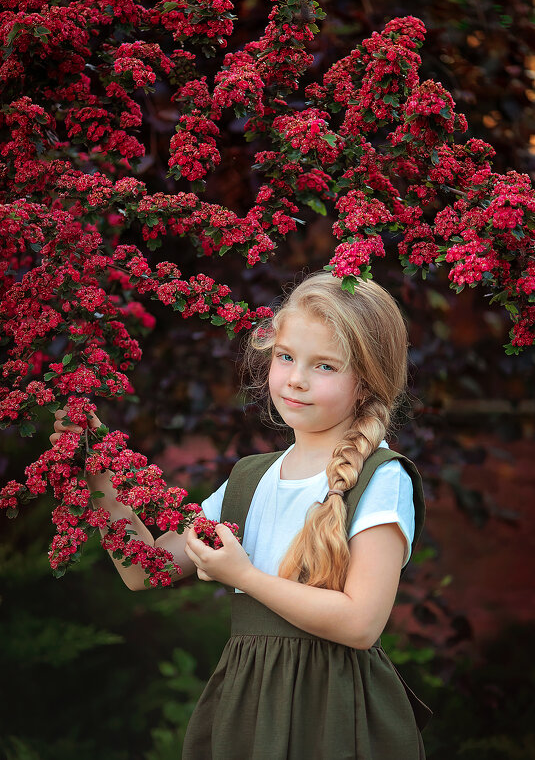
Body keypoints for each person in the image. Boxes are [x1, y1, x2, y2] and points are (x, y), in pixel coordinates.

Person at [50, 271, 432, 760]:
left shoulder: (382, 477)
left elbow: (361, 623)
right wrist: (96, 461)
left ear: (366, 383)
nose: (296, 378)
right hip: (248, 705)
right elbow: (145, 568)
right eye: (286, 356)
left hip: (333, 712)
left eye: (325, 366)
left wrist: (245, 577)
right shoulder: (250, 480)